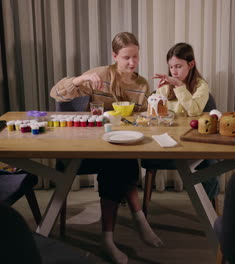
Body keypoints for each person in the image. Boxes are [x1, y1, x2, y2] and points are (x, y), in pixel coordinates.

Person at [50, 32, 162, 264]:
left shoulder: (141, 84)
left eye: (136, 57)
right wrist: (80, 80)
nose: (132, 63)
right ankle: (137, 218)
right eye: (126, 57)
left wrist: (156, 104)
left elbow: (143, 120)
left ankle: (110, 237)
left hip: (120, 145)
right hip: (89, 147)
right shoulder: (99, 76)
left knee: (121, 159)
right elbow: (56, 93)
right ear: (114, 56)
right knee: (118, 163)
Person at [153, 42, 219, 208]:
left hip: (193, 140)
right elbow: (157, 113)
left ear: (191, 64)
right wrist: (156, 97)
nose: (174, 71)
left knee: (210, 164)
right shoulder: (165, 85)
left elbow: (194, 112)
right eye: (171, 67)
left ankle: (209, 210)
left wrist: (179, 86)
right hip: (168, 140)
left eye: (178, 66)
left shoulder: (201, 86)